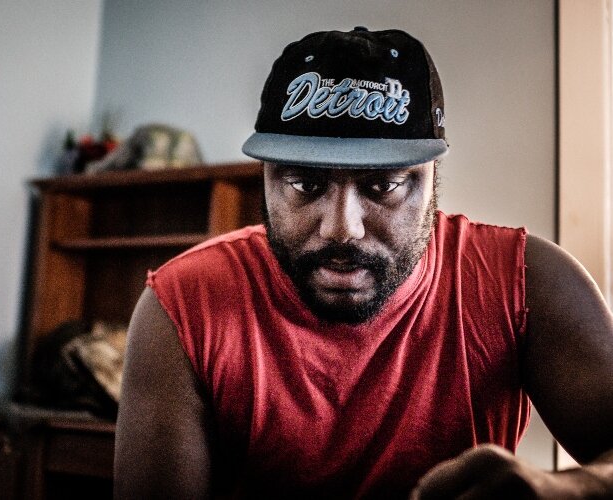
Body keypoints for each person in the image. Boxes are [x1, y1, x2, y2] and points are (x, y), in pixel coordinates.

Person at [114, 27, 613, 498]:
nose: (342, 228)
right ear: (265, 178)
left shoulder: (527, 283)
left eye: (383, 185)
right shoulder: (182, 305)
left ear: (432, 177)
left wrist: (566, 490)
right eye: (305, 184)